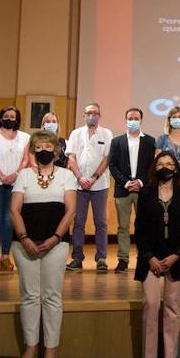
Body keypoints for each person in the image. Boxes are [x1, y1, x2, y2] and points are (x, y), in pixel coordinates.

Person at [10, 131, 77, 358]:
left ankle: (50, 349)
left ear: (56, 150)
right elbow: (15, 210)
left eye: (48, 145)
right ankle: (31, 347)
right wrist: (24, 238)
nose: (44, 150)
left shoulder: (67, 175)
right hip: (24, 243)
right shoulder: (24, 176)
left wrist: (55, 238)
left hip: (55, 244)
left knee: (51, 296)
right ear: (33, 151)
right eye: (39, 146)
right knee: (30, 295)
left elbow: (70, 211)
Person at [134, 151, 180, 358]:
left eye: (169, 164)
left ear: (176, 168)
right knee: (151, 305)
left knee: (172, 307)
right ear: (154, 167)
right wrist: (149, 257)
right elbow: (139, 228)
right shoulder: (146, 192)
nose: (165, 167)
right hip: (149, 258)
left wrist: (175, 256)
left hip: (176, 258)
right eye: (160, 163)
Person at [66, 103, 113, 272]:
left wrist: (93, 178)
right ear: (83, 116)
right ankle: (77, 258)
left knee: (101, 222)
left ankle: (101, 258)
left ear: (99, 116)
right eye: (88, 113)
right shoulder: (76, 133)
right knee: (78, 222)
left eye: (95, 113)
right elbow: (71, 158)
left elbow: (107, 159)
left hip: (100, 185)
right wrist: (80, 177)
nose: (91, 116)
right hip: (78, 185)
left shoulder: (107, 133)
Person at [110, 107, 156, 274]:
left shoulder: (151, 141)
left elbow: (153, 165)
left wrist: (141, 182)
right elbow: (112, 165)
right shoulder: (117, 141)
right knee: (123, 227)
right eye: (130, 118)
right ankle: (123, 259)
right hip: (123, 190)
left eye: (136, 118)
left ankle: (144, 258)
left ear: (141, 120)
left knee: (144, 226)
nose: (133, 121)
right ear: (126, 120)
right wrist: (126, 182)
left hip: (144, 190)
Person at [0, 106, 30, 273]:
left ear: (17, 118)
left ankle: (5, 256)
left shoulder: (25, 137)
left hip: (16, 182)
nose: (9, 118)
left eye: (13, 116)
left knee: (9, 219)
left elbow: (26, 159)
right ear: (1, 117)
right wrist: (1, 175)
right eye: (6, 116)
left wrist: (15, 174)